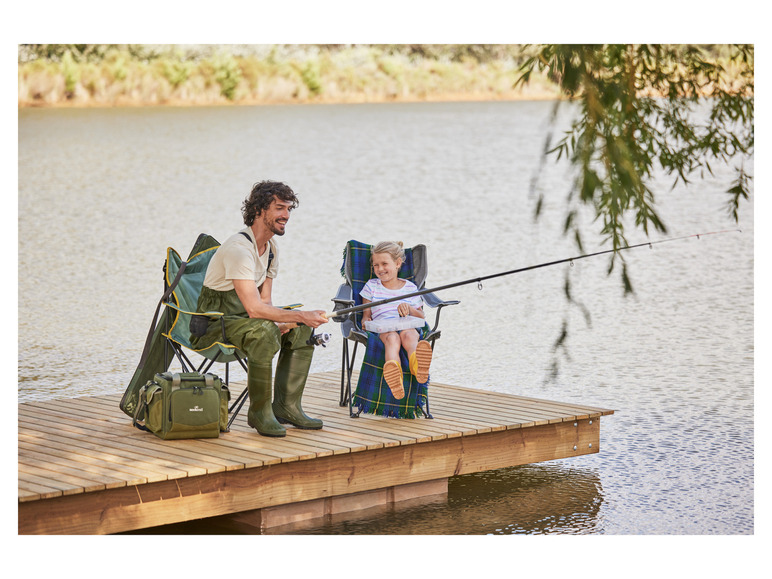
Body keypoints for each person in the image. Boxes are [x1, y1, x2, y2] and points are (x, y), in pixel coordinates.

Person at [191, 181, 328, 437]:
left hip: (245, 319)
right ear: (259, 210)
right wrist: (299, 316)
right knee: (267, 331)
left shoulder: (272, 250)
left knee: (300, 331)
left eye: (288, 209)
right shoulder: (239, 249)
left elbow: (265, 302)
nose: (286, 215)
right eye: (279, 208)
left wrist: (288, 323)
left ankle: (287, 407)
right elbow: (254, 310)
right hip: (215, 324)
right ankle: (259, 413)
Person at [359, 241, 433, 399]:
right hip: (384, 328)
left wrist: (410, 309)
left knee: (410, 335)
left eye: (384, 264)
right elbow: (366, 314)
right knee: (392, 338)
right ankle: (395, 377)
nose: (380, 269)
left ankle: (418, 366)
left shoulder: (410, 288)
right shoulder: (371, 286)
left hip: (407, 324)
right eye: (376, 265)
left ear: (398, 263)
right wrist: (365, 321)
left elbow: (421, 317)